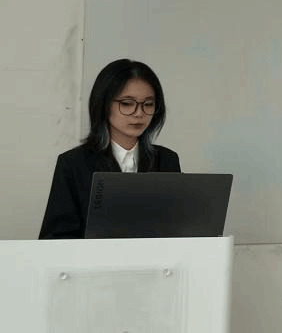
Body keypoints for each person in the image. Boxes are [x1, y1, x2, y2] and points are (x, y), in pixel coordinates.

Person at [39, 59, 180, 239]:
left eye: (148, 104)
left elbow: (179, 230)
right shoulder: (73, 163)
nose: (139, 113)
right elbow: (55, 239)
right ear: (104, 105)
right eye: (127, 103)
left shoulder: (167, 160)